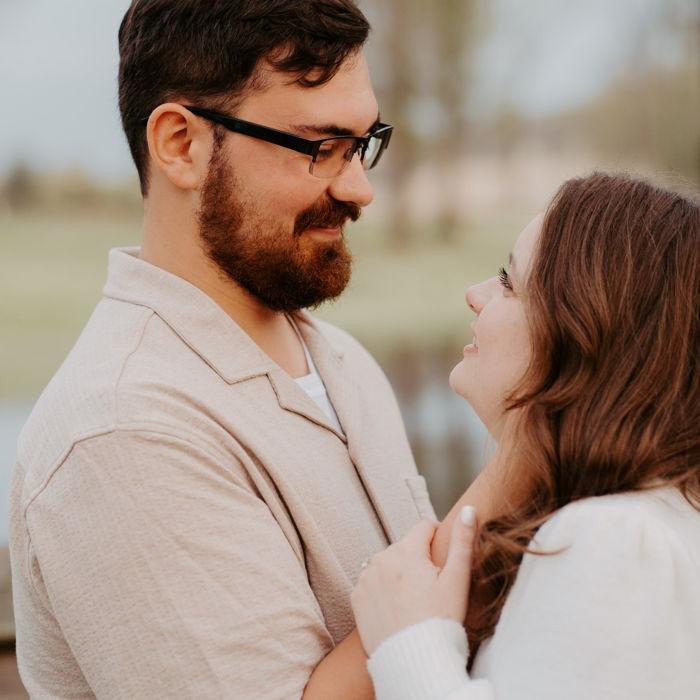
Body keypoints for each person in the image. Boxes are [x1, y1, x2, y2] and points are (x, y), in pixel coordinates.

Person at [9, 2, 437, 697]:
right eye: (320, 146)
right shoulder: (124, 433)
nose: (359, 188)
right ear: (181, 144)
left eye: (363, 143)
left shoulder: (345, 362)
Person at [350, 173, 700, 699]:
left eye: (508, 282)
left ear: (586, 332)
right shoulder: (658, 518)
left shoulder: (616, 539)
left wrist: (410, 642)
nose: (474, 295)